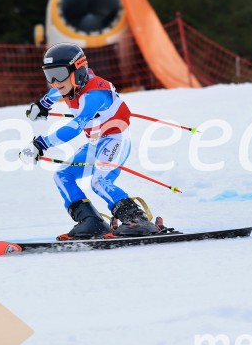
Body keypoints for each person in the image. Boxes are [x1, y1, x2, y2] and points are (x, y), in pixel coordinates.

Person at [23, 42, 160, 240]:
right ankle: (90, 221)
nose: (54, 82)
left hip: (115, 139)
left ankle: (137, 219)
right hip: (96, 142)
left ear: (78, 70)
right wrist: (43, 105)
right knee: (62, 176)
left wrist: (41, 144)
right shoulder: (67, 86)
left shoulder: (94, 94)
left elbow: (75, 127)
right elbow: (55, 91)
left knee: (99, 180)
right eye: (48, 75)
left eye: (59, 73)